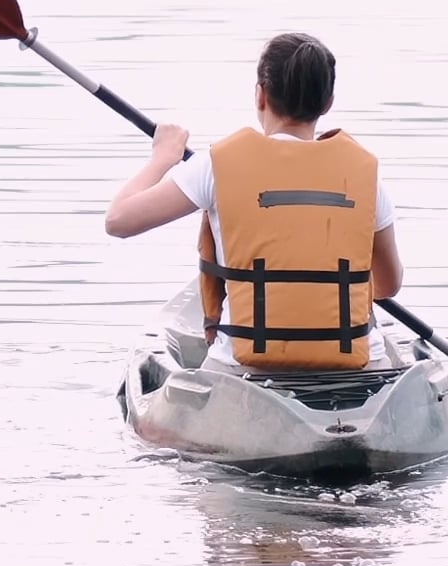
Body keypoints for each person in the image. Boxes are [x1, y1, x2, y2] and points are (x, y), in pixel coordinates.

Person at [101, 30, 401, 373]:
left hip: (244, 368)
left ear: (260, 95)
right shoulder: (365, 174)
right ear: (328, 103)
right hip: (358, 367)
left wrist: (163, 157)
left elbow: (118, 221)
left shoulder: (215, 165)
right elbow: (388, 284)